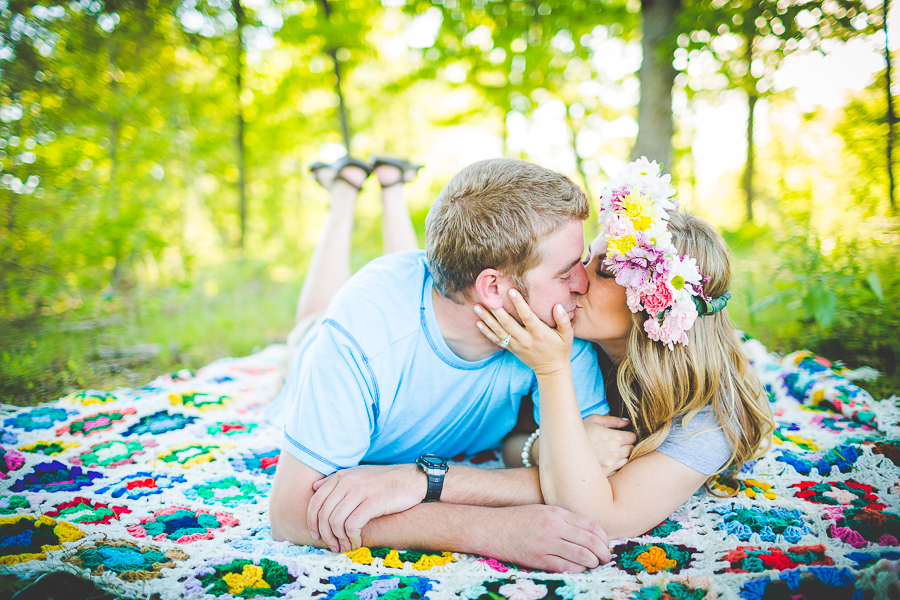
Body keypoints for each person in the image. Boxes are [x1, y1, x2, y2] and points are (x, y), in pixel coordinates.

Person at [268, 155, 622, 573]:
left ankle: (390, 186)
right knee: (308, 328)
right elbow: (290, 512)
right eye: (565, 272)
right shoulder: (364, 333)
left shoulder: (554, 332)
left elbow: (583, 482)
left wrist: (422, 483)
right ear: (494, 287)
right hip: (328, 345)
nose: (582, 284)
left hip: (427, 301)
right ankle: (343, 192)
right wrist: (492, 529)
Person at [476, 157, 776, 539]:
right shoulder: (574, 345)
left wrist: (552, 372)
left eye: (605, 270)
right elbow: (512, 437)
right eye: (584, 258)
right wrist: (542, 447)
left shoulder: (708, 417)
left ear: (656, 300)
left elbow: (600, 517)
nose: (577, 279)